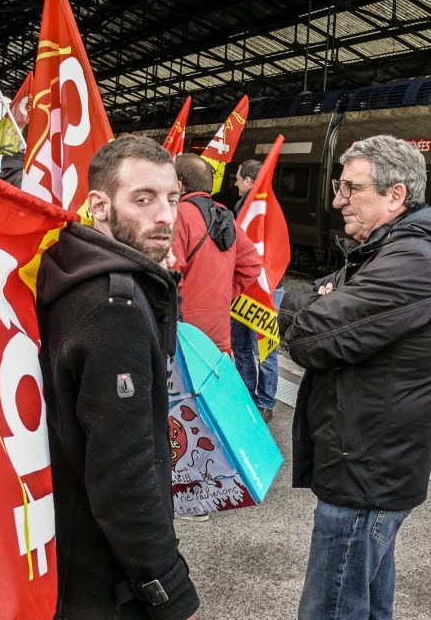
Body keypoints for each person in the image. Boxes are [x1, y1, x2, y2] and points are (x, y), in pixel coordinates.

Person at [279, 135, 431, 620]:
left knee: (332, 610)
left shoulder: (411, 264)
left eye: (350, 188)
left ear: (395, 195)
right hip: (363, 465)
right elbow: (306, 306)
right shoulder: (383, 253)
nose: (337, 200)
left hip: (366, 472)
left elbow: (308, 338)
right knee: (367, 607)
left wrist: (313, 303)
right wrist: (313, 300)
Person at [37, 135, 199, 620]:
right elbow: (123, 474)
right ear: (99, 206)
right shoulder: (116, 308)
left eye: (172, 199)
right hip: (105, 580)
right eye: (143, 200)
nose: (165, 216)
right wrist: (169, 590)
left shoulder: (70, 266)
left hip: (66, 546)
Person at [171, 153, 260, 355]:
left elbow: (170, 276)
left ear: (179, 184)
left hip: (183, 333)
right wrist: (223, 295)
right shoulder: (226, 217)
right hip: (219, 333)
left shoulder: (177, 216)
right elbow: (253, 264)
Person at [229, 159, 284, 422]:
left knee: (261, 348)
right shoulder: (247, 207)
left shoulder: (260, 209)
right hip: (246, 286)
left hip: (263, 288)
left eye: (238, 179)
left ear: (249, 181)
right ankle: (251, 397)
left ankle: (264, 401)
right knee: (245, 345)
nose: (236, 183)